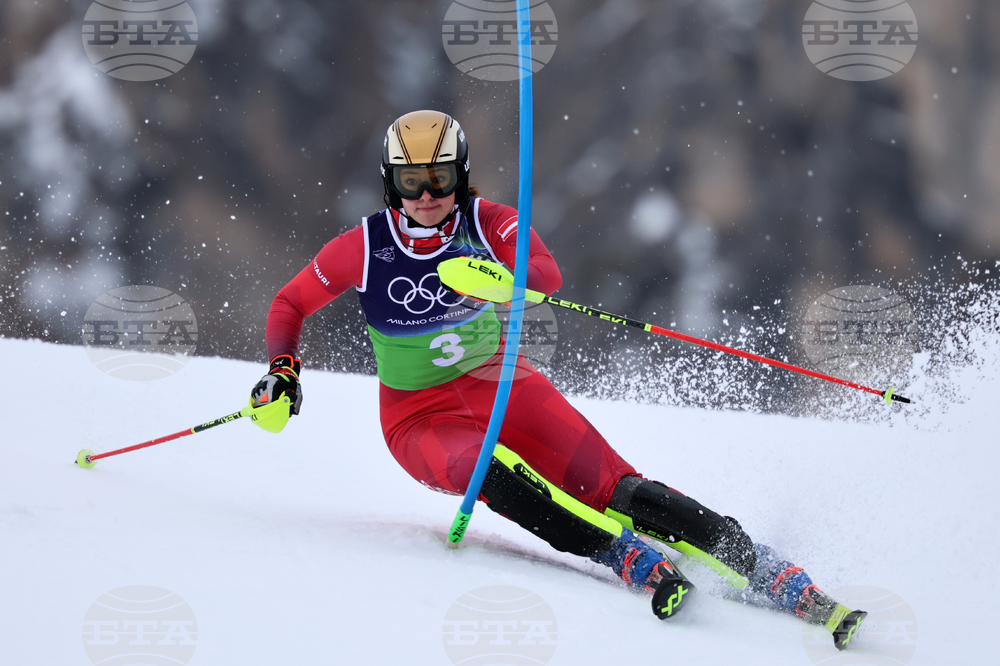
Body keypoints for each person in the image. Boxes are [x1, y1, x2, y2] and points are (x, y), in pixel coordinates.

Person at [250, 110, 865, 648]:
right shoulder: (363, 247)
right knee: (486, 470)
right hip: (417, 418)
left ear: (461, 177)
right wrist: (283, 371)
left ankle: (765, 569)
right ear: (392, 184)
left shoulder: (488, 221)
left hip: (501, 386)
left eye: (440, 179)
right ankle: (622, 557)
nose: (427, 195)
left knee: (618, 487)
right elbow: (288, 304)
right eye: (413, 181)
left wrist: (503, 279)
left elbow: (546, 273)